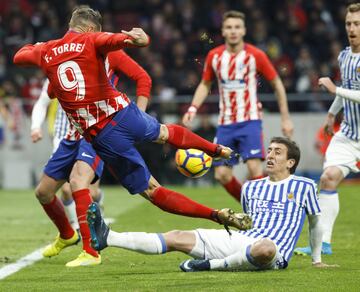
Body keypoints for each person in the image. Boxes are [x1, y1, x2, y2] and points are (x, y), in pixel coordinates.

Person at [13, 5, 252, 265]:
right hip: (125, 111)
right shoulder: (94, 39)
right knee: (164, 132)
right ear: (92, 29)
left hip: (102, 132)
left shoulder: (47, 50)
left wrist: (38, 46)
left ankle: (215, 215)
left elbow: (19, 57)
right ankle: (217, 150)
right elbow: (122, 40)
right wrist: (139, 38)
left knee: (148, 191)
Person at [87, 137, 337, 272]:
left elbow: (315, 224)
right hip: (240, 243)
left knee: (266, 248)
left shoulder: (304, 186)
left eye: (277, 152)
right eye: (269, 151)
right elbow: (249, 223)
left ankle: (210, 266)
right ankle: (109, 238)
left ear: (291, 163)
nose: (270, 156)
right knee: (176, 237)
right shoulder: (251, 186)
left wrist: (316, 260)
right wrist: (237, 220)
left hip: (272, 253)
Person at [29, 46, 152, 267]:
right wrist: (35, 126)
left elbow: (142, 77)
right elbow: (45, 97)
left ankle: (90, 250)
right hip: (68, 135)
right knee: (44, 192)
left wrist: (139, 116)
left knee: (78, 186)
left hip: (97, 131)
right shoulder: (63, 58)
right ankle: (68, 235)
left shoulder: (109, 54)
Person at [182, 11, 294, 202]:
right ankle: (250, 205)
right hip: (226, 123)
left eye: (237, 27)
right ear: (223, 31)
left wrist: (285, 118)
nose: (233, 31)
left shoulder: (255, 55)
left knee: (254, 167)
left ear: (244, 31)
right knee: (221, 175)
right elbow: (205, 84)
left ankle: (263, 210)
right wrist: (193, 108)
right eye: (229, 27)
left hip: (250, 120)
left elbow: (277, 84)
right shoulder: (214, 56)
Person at [295, 3, 360, 256]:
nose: (352, 29)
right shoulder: (344, 56)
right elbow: (347, 89)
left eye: (357, 24)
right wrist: (332, 113)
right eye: (348, 24)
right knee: (327, 178)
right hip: (348, 134)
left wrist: (335, 90)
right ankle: (322, 244)